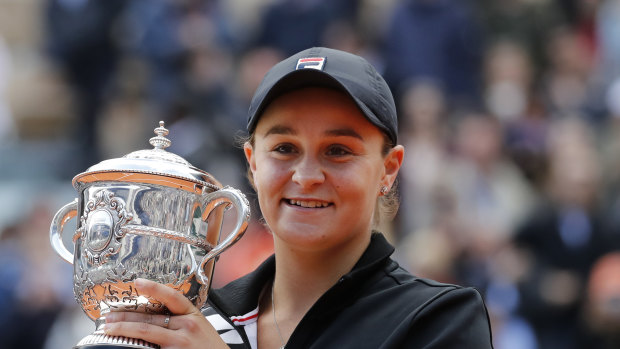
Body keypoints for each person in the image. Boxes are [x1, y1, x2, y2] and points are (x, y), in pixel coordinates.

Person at [103, 47, 494, 348]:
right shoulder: (198, 322)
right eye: (285, 148)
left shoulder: (438, 320)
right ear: (253, 164)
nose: (306, 177)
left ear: (388, 169)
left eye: (338, 150)